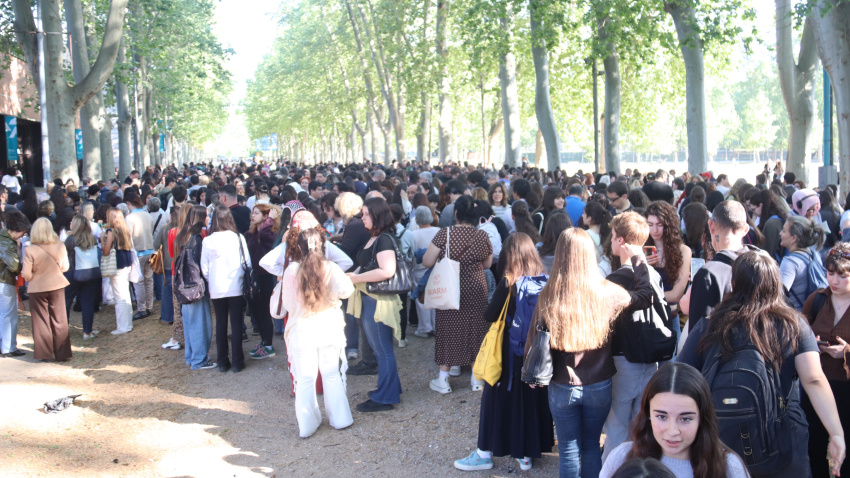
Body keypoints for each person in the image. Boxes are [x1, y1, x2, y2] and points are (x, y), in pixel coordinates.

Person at [678, 250, 846, 478]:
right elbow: (814, 379)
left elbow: (682, 379)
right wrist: (836, 433)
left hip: (720, 438)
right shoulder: (793, 325)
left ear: (734, 284)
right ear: (776, 283)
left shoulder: (709, 325)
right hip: (783, 440)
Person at [530, 227, 651, 477]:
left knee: (568, 449)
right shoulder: (607, 291)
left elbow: (536, 337)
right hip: (598, 383)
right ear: (590, 254)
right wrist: (638, 260)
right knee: (591, 446)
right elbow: (645, 296)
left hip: (562, 384)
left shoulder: (549, 293)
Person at [454, 233, 554, 472]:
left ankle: (484, 452)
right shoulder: (546, 280)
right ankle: (526, 454)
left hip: (508, 353)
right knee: (530, 400)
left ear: (509, 256)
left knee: (495, 400)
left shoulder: (509, 282)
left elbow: (490, 315)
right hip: (537, 353)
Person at [599, 363, 749, 478]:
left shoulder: (728, 467)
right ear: (647, 413)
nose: (672, 431)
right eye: (662, 417)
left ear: (702, 418)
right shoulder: (621, 457)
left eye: (685, 419)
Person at [279, 227, 355, 437]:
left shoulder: (291, 271)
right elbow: (348, 291)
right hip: (328, 326)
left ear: (298, 247)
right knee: (331, 374)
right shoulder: (331, 268)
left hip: (302, 329)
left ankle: (307, 425)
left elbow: (286, 303)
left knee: (305, 378)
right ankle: (340, 419)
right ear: (322, 245)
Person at [423, 195, 494, 394]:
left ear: (456, 213)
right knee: (476, 329)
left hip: (449, 288)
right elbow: (487, 264)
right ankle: (476, 379)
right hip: (476, 288)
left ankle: (443, 379)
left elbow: (427, 261)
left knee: (448, 330)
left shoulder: (444, 234)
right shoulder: (482, 236)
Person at [345, 197, 404, 412]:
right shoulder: (376, 237)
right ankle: (390, 389)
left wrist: (356, 278)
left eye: (366, 214)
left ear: (377, 215)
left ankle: (385, 397)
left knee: (383, 350)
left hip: (378, 301)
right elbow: (368, 265)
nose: (363, 217)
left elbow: (387, 271)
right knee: (381, 349)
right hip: (371, 299)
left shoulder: (384, 239)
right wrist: (355, 275)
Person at [801, 243, 850, 478]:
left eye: (842, 275)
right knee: (813, 447)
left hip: (847, 388)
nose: (834, 280)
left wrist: (846, 353)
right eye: (830, 273)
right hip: (816, 385)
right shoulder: (817, 299)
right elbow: (798, 333)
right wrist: (812, 342)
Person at [680, 201, 752, 333]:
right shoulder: (764, 264)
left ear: (711, 226)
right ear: (745, 230)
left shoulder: (709, 274)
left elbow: (698, 331)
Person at [202, 204, 251, 373]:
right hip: (235, 286)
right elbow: (247, 262)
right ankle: (238, 361)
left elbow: (205, 268)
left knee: (221, 324)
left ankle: (222, 362)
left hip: (216, 287)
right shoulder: (238, 238)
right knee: (237, 324)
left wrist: (213, 279)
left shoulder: (207, 241)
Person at [644, 201, 692, 349]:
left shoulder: (683, 251)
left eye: (659, 224)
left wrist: (645, 298)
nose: (655, 230)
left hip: (670, 317)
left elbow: (677, 294)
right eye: (650, 224)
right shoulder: (640, 249)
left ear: (668, 225)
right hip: (646, 318)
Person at [22, 218, 71, 361]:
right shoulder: (60, 245)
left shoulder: (30, 250)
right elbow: (65, 267)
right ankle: (63, 353)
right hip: (56, 285)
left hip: (37, 288)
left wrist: (32, 276)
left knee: (40, 321)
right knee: (60, 319)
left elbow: (26, 274)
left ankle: (44, 354)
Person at [174, 205, 216, 371]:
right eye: (206, 216)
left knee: (190, 323)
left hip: (184, 287)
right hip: (195, 287)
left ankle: (192, 358)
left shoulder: (183, 236)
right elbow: (200, 265)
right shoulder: (197, 239)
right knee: (200, 323)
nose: (208, 218)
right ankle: (199, 360)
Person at [246, 203, 280, 359]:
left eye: (257, 213)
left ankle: (268, 345)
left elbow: (266, 237)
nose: (253, 215)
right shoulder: (252, 232)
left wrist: (270, 221)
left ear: (266, 216)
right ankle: (263, 341)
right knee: (256, 310)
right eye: (253, 213)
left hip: (266, 276)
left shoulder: (270, 232)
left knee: (264, 311)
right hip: (254, 275)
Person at [63, 215, 101, 340]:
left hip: (72, 274)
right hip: (90, 273)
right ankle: (87, 332)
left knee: (66, 302)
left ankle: (63, 330)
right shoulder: (92, 239)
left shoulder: (70, 240)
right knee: (88, 303)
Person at [779, 215, 826, 310]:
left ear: (794, 238)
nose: (780, 233)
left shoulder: (790, 262)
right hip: (812, 315)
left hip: (796, 317)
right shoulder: (814, 254)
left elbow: (779, 295)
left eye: (784, 231)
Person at [162, 204, 192, 350]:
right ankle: (190, 335)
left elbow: (171, 254)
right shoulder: (200, 232)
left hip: (178, 272)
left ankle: (177, 338)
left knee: (178, 308)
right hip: (194, 274)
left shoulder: (173, 232)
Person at [0, 211, 29, 357]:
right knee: (9, 315)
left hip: (4, 281)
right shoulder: (5, 241)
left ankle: (6, 346)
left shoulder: (4, 238)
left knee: (5, 315)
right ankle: (8, 347)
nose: (23, 236)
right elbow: (14, 265)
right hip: (5, 282)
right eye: (22, 233)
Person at [102, 208, 134, 335]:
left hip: (117, 264)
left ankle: (123, 326)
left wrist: (102, 240)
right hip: (126, 262)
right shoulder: (125, 230)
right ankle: (127, 323)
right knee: (125, 294)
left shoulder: (111, 231)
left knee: (119, 297)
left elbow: (106, 250)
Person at [124, 190, 155, 320]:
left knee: (139, 281)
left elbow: (127, 236)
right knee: (148, 280)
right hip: (150, 249)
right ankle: (149, 306)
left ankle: (142, 308)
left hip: (138, 252)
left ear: (128, 203)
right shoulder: (147, 215)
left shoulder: (129, 218)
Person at [410, 206, 440, 339]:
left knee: (421, 300)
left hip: (419, 270)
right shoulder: (439, 231)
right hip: (437, 269)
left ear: (417, 219)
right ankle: (436, 326)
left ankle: (424, 327)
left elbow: (411, 256)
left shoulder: (412, 235)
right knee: (436, 298)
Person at [581, 200, 613, 277]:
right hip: (608, 272)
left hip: (592, 274)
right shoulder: (610, 233)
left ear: (589, 218)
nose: (582, 216)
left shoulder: (584, 236)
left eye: (584, 213)